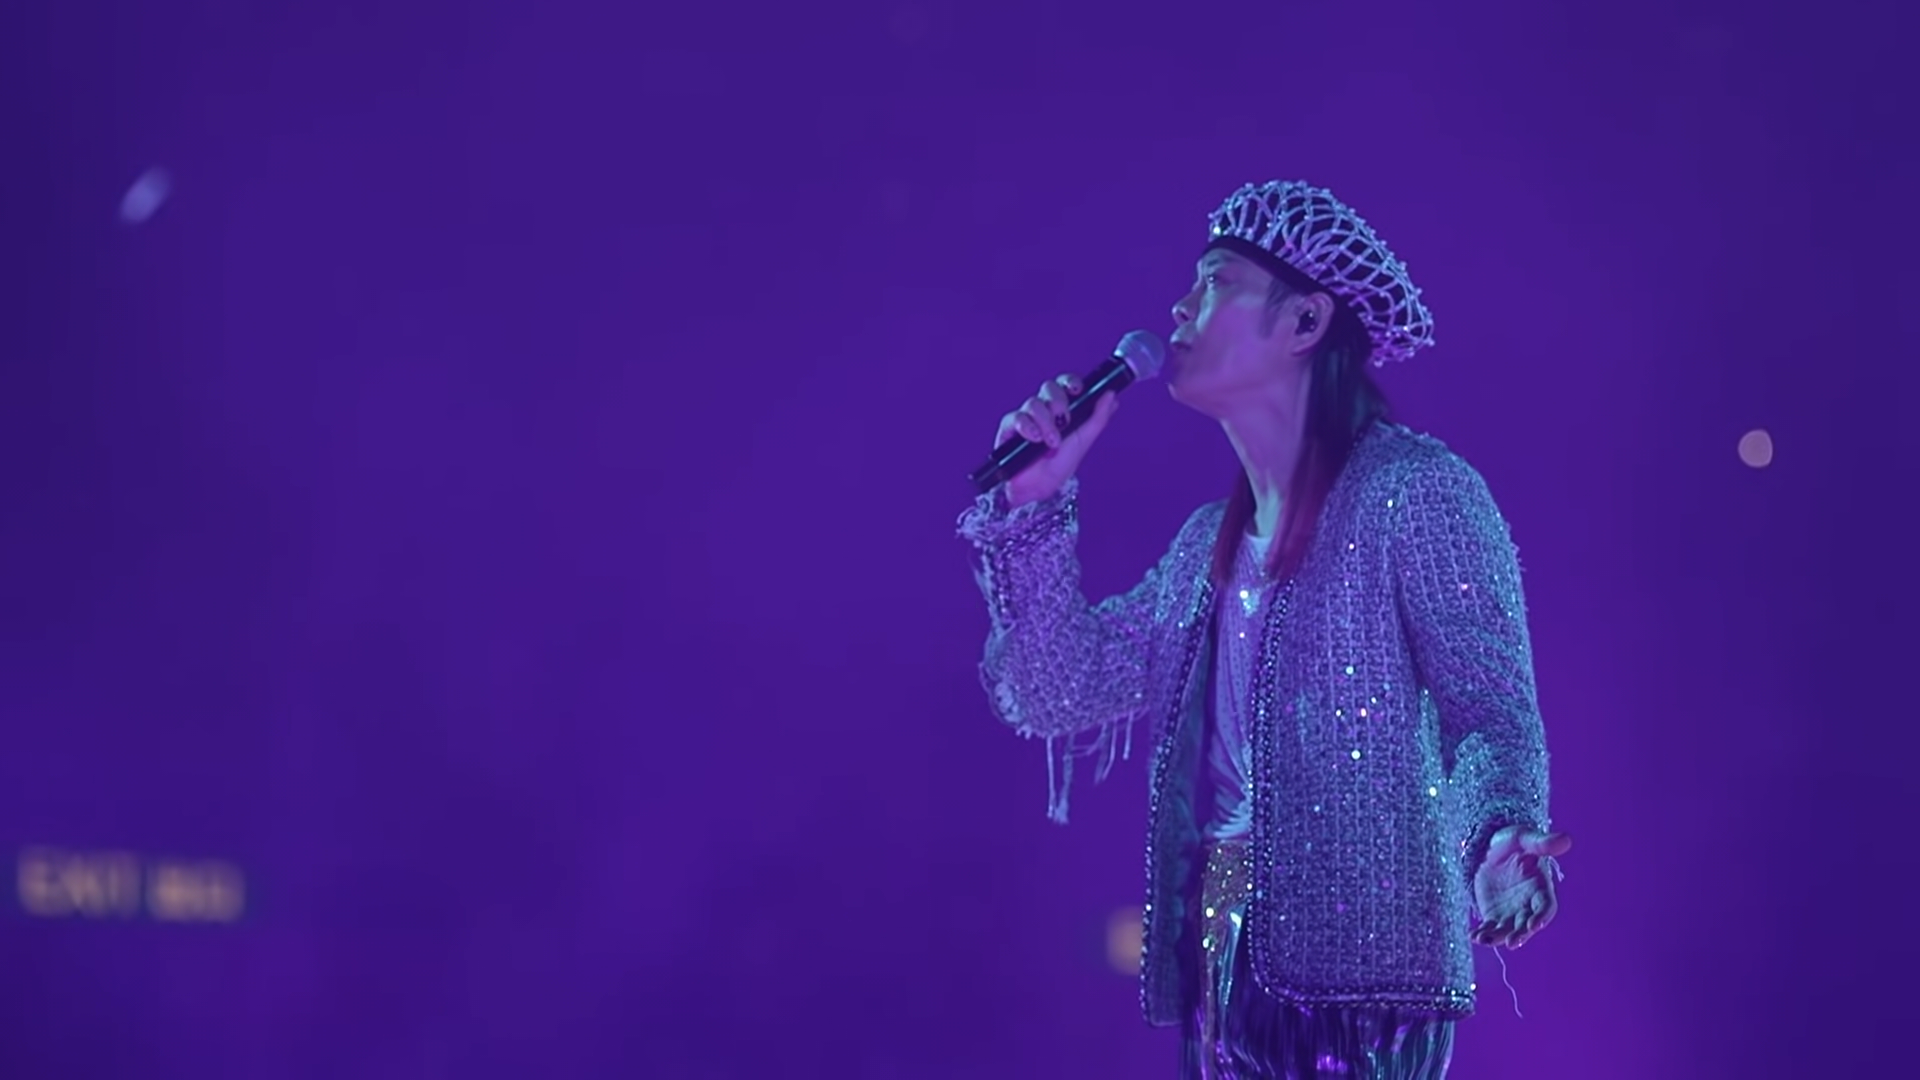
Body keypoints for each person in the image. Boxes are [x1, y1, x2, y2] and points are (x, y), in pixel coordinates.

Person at [956, 180, 1570, 1078]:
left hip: (1367, 979)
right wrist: (1031, 508)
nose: (1180, 306)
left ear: (1305, 320)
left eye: (1215, 281)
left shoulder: (1417, 493)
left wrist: (1501, 832)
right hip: (1222, 964)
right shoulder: (1204, 548)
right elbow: (1054, 688)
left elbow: (1488, 710)